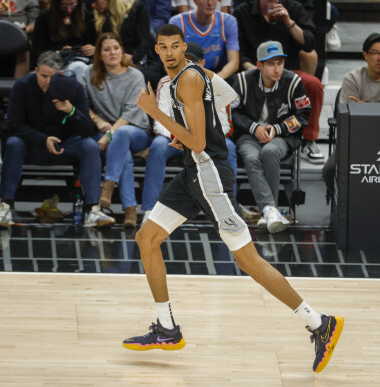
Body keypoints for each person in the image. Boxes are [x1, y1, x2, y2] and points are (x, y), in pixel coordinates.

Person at [122, 24, 343, 375]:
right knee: (146, 238)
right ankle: (166, 328)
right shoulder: (200, 74)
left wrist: (157, 112)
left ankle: (319, 323)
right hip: (193, 172)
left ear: (183, 49)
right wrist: (198, 130)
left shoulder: (187, 80)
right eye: (161, 47)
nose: (167, 53)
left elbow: (197, 142)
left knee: (248, 261)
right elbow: (229, 100)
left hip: (209, 177)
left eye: (173, 46)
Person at [0, 51, 114, 228]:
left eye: (53, 77)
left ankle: (92, 210)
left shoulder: (73, 88)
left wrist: (71, 112)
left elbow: (88, 130)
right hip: (32, 143)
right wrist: (43, 140)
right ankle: (5, 206)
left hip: (65, 145)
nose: (48, 81)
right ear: (35, 71)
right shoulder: (22, 86)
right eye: (43, 76)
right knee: (13, 143)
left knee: (89, 145)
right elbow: (13, 124)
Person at [141, 41, 238, 226]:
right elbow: (158, 126)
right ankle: (148, 208)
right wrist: (181, 135)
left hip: (205, 143)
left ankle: (230, 205)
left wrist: (197, 130)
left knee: (230, 146)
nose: (188, 65)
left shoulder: (212, 84)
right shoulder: (165, 82)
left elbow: (225, 126)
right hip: (173, 142)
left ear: (202, 64)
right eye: (184, 61)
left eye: (192, 62)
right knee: (158, 145)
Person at [323, 33, 380, 203]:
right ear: (365, 55)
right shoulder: (352, 79)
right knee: (329, 169)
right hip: (357, 141)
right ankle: (340, 203)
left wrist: (364, 106)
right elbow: (348, 117)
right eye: (375, 53)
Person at [233, 0, 325, 164]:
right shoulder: (242, 12)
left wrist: (288, 22)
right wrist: (254, 69)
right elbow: (237, 50)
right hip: (253, 71)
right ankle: (239, 136)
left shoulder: (294, 8)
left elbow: (310, 42)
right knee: (232, 85)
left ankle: (309, 141)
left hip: (286, 71)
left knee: (314, 84)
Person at [231, 40, 307, 233]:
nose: (277, 69)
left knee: (270, 152)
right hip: (249, 135)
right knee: (251, 157)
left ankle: (267, 210)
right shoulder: (242, 80)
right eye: (271, 64)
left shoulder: (293, 82)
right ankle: (271, 211)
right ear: (259, 65)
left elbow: (303, 114)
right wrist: (253, 127)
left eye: (280, 63)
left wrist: (277, 129)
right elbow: (232, 112)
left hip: (283, 136)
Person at [83, 33, 152, 228]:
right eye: (106, 49)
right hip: (109, 133)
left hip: (135, 130)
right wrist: (97, 121)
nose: (112, 52)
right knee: (124, 157)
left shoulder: (135, 75)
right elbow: (81, 102)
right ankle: (130, 210)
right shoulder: (89, 74)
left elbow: (131, 112)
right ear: (99, 54)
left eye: (116, 48)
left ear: (122, 50)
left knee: (120, 135)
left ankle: (108, 186)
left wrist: (109, 133)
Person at [91, 0, 164, 87]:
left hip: (137, 58)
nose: (93, 5)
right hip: (110, 61)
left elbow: (145, 40)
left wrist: (133, 57)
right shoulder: (97, 16)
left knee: (131, 76)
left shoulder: (135, 8)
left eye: (95, 1)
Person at [169, 0, 239, 81]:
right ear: (195, 1)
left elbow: (234, 63)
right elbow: (173, 62)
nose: (210, 3)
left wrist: (212, 81)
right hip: (187, 74)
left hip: (218, 74)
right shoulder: (177, 22)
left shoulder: (228, 21)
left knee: (235, 80)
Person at [31, 0, 97, 81]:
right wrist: (59, 52)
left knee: (81, 67)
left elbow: (95, 42)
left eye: (72, 4)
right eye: (64, 6)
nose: (69, 9)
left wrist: (94, 49)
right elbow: (37, 49)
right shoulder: (44, 18)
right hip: (53, 61)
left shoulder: (87, 16)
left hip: (80, 58)